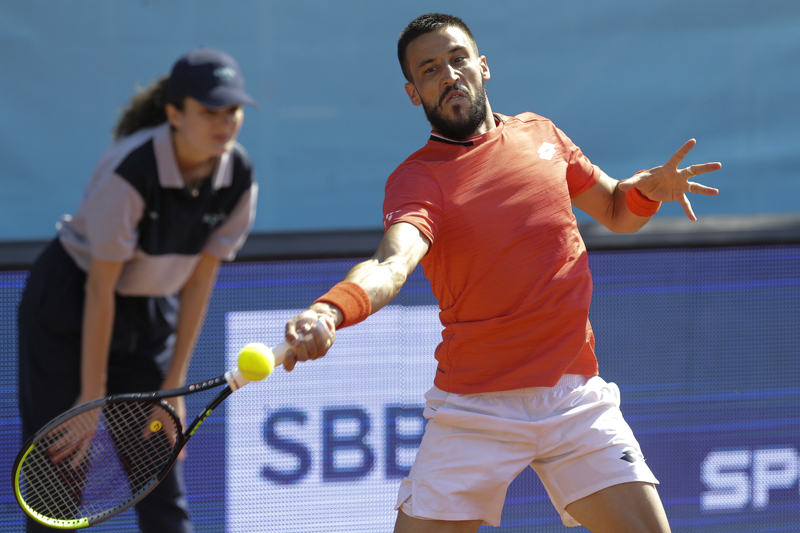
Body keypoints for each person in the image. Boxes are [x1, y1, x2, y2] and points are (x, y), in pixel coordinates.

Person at [283, 13, 722, 533]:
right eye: (429, 69)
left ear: (482, 66)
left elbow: (616, 209)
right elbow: (390, 262)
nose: (448, 75)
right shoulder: (418, 179)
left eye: (457, 58)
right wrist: (329, 310)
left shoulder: (542, 134)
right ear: (412, 92)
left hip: (573, 395)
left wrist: (648, 190)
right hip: (475, 408)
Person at [17, 47, 258, 533]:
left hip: (150, 319)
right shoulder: (130, 171)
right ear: (174, 113)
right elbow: (101, 289)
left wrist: (175, 391)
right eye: (208, 111)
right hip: (70, 309)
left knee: (161, 477)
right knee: (61, 477)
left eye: (232, 110)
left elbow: (199, 284)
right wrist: (91, 397)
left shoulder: (240, 176)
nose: (224, 122)